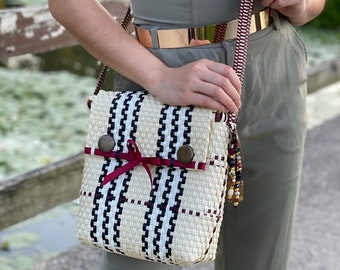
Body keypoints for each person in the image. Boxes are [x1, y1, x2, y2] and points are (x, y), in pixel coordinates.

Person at [48, 0, 325, 269]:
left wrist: (302, 4)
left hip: (274, 73)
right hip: (165, 85)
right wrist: (158, 76)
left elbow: (314, 5)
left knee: (264, 260)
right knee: (142, 250)